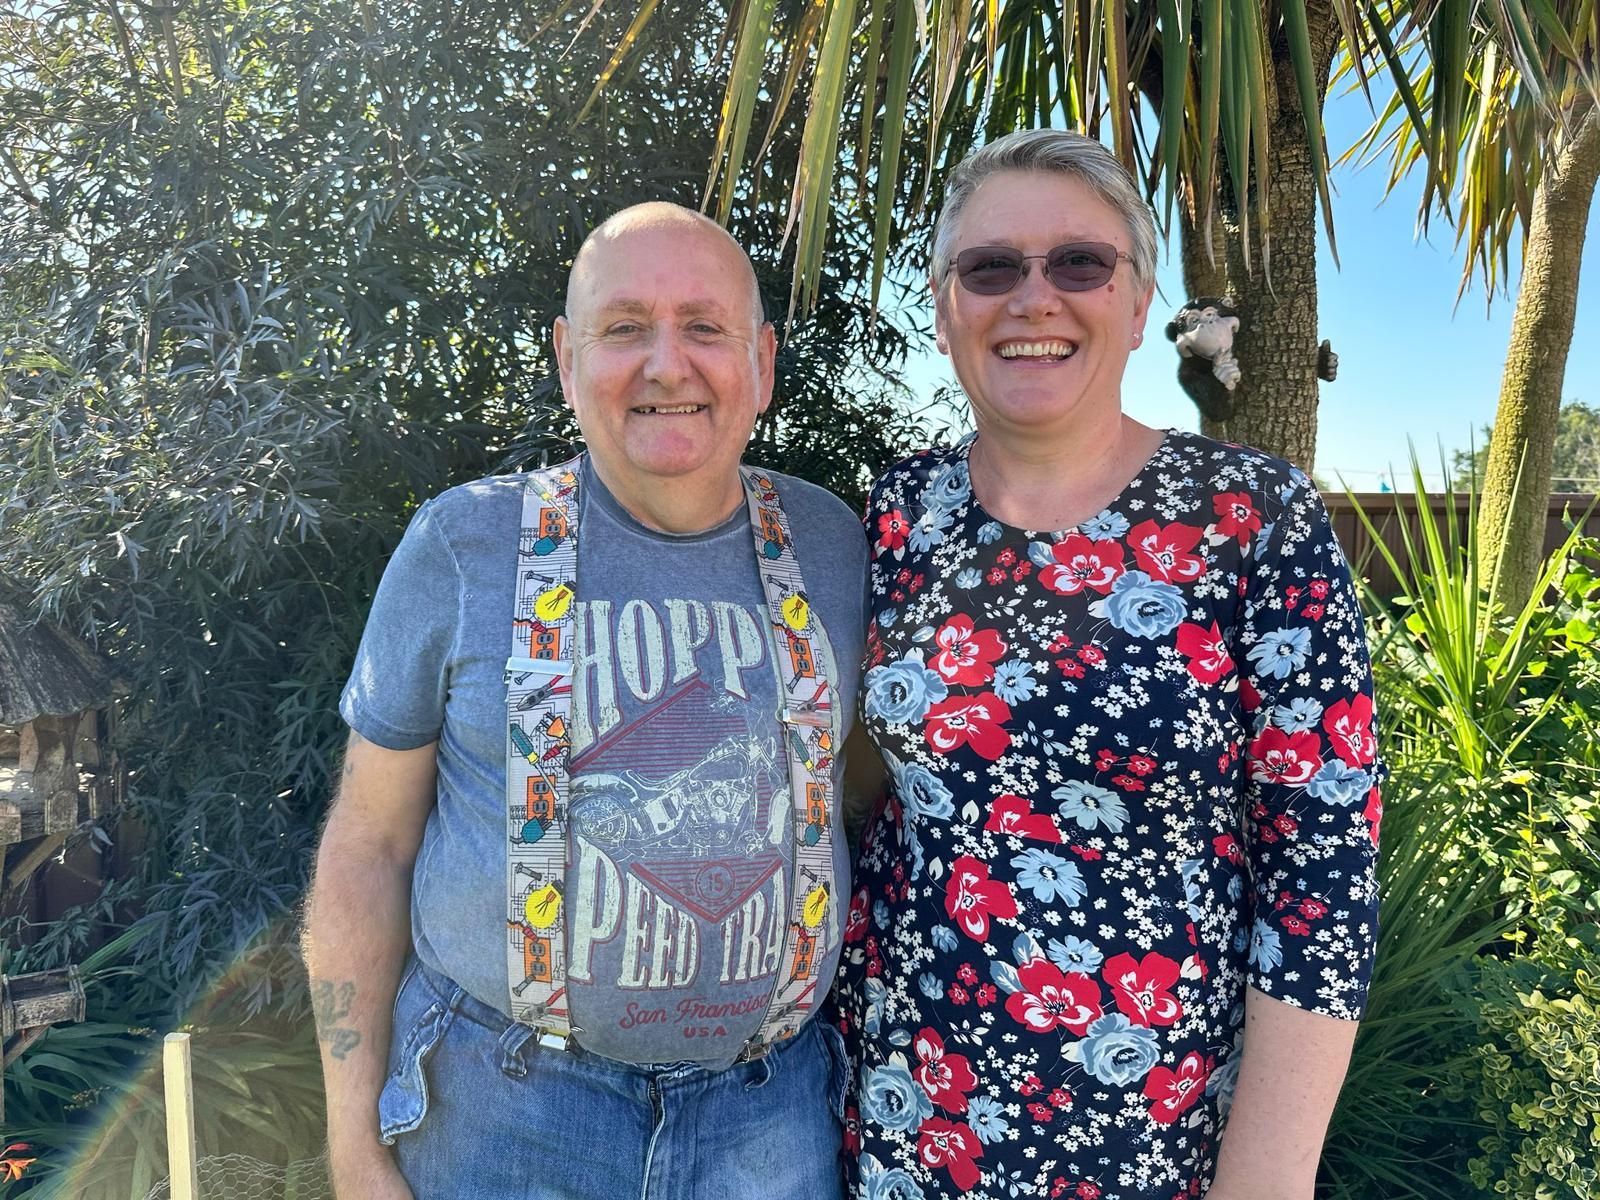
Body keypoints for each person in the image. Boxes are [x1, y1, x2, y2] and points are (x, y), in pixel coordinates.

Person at [833, 130, 1382, 1200]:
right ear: (946, 310)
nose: (1033, 297)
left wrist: (1265, 1179)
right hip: (900, 1129)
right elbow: (856, 796)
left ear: (1136, 307)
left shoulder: (1253, 521)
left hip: (1154, 1147)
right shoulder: (896, 514)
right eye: (989, 268)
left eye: (1078, 263)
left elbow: (1321, 883)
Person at [301, 202, 866, 1200]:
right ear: (568, 360)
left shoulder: (833, 547)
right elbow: (366, 846)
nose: (666, 364)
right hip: (505, 1118)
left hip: (768, 1123)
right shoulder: (461, 546)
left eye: (705, 327)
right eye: (622, 328)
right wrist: (353, 1147)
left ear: (763, 362)